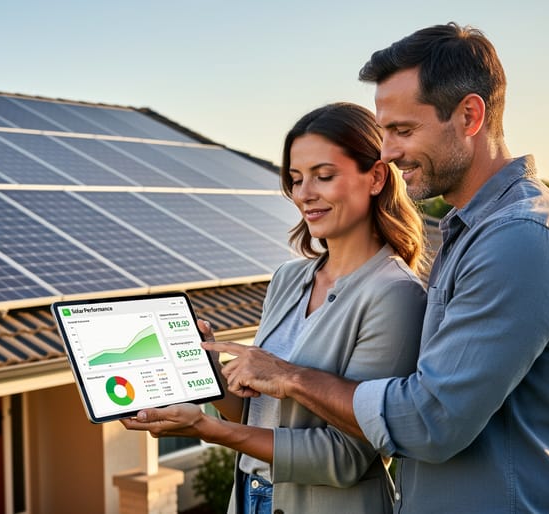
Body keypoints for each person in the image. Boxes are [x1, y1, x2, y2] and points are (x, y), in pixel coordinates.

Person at [201, 23, 549, 513]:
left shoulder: (521, 238)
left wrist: (288, 378)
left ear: (469, 116)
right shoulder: (471, 232)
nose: (388, 152)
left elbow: (429, 421)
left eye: (402, 130)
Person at [122, 102, 427, 514]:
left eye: (324, 176)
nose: (304, 194)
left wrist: (209, 430)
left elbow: (347, 458)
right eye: (296, 179)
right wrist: (210, 370)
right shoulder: (288, 278)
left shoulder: (395, 295)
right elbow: (255, 413)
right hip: (248, 497)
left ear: (374, 177)